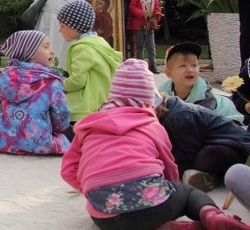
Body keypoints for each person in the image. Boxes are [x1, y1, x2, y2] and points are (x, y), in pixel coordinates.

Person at [61, 58, 247, 230]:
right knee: (189, 194)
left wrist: (94, 188)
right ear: (150, 100)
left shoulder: (89, 126)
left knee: (127, 217)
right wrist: (168, 189)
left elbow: (68, 169)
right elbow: (169, 167)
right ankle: (212, 216)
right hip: (151, 210)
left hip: (103, 217)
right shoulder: (152, 126)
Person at [0, 30, 70, 155]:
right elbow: (61, 115)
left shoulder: (8, 78)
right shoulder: (52, 83)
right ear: (31, 54)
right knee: (66, 142)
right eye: (46, 47)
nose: (52, 51)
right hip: (38, 142)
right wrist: (58, 130)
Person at [157, 93, 250, 194]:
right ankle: (205, 176)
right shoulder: (163, 117)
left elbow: (190, 153)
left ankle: (209, 176)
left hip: (236, 145)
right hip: (204, 145)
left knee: (206, 158)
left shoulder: (178, 116)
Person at [57, 0, 121, 132]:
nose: (59, 30)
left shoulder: (81, 48)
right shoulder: (99, 43)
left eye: (62, 26)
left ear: (74, 26)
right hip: (100, 101)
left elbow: (78, 80)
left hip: (84, 106)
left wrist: (61, 84)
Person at [157, 42, 243, 123]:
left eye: (194, 65)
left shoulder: (204, 95)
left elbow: (204, 122)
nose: (190, 70)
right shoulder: (163, 93)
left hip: (225, 120)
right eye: (183, 66)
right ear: (169, 73)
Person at [32, 0, 89, 72]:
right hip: (63, 31)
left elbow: (33, 8)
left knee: (40, 56)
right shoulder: (78, 0)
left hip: (43, 25)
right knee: (60, 59)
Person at [127, 0, 162, 74]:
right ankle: (140, 65)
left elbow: (157, 6)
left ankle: (152, 64)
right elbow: (132, 8)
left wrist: (156, 16)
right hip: (139, 24)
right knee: (140, 46)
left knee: (151, 45)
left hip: (150, 23)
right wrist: (143, 13)